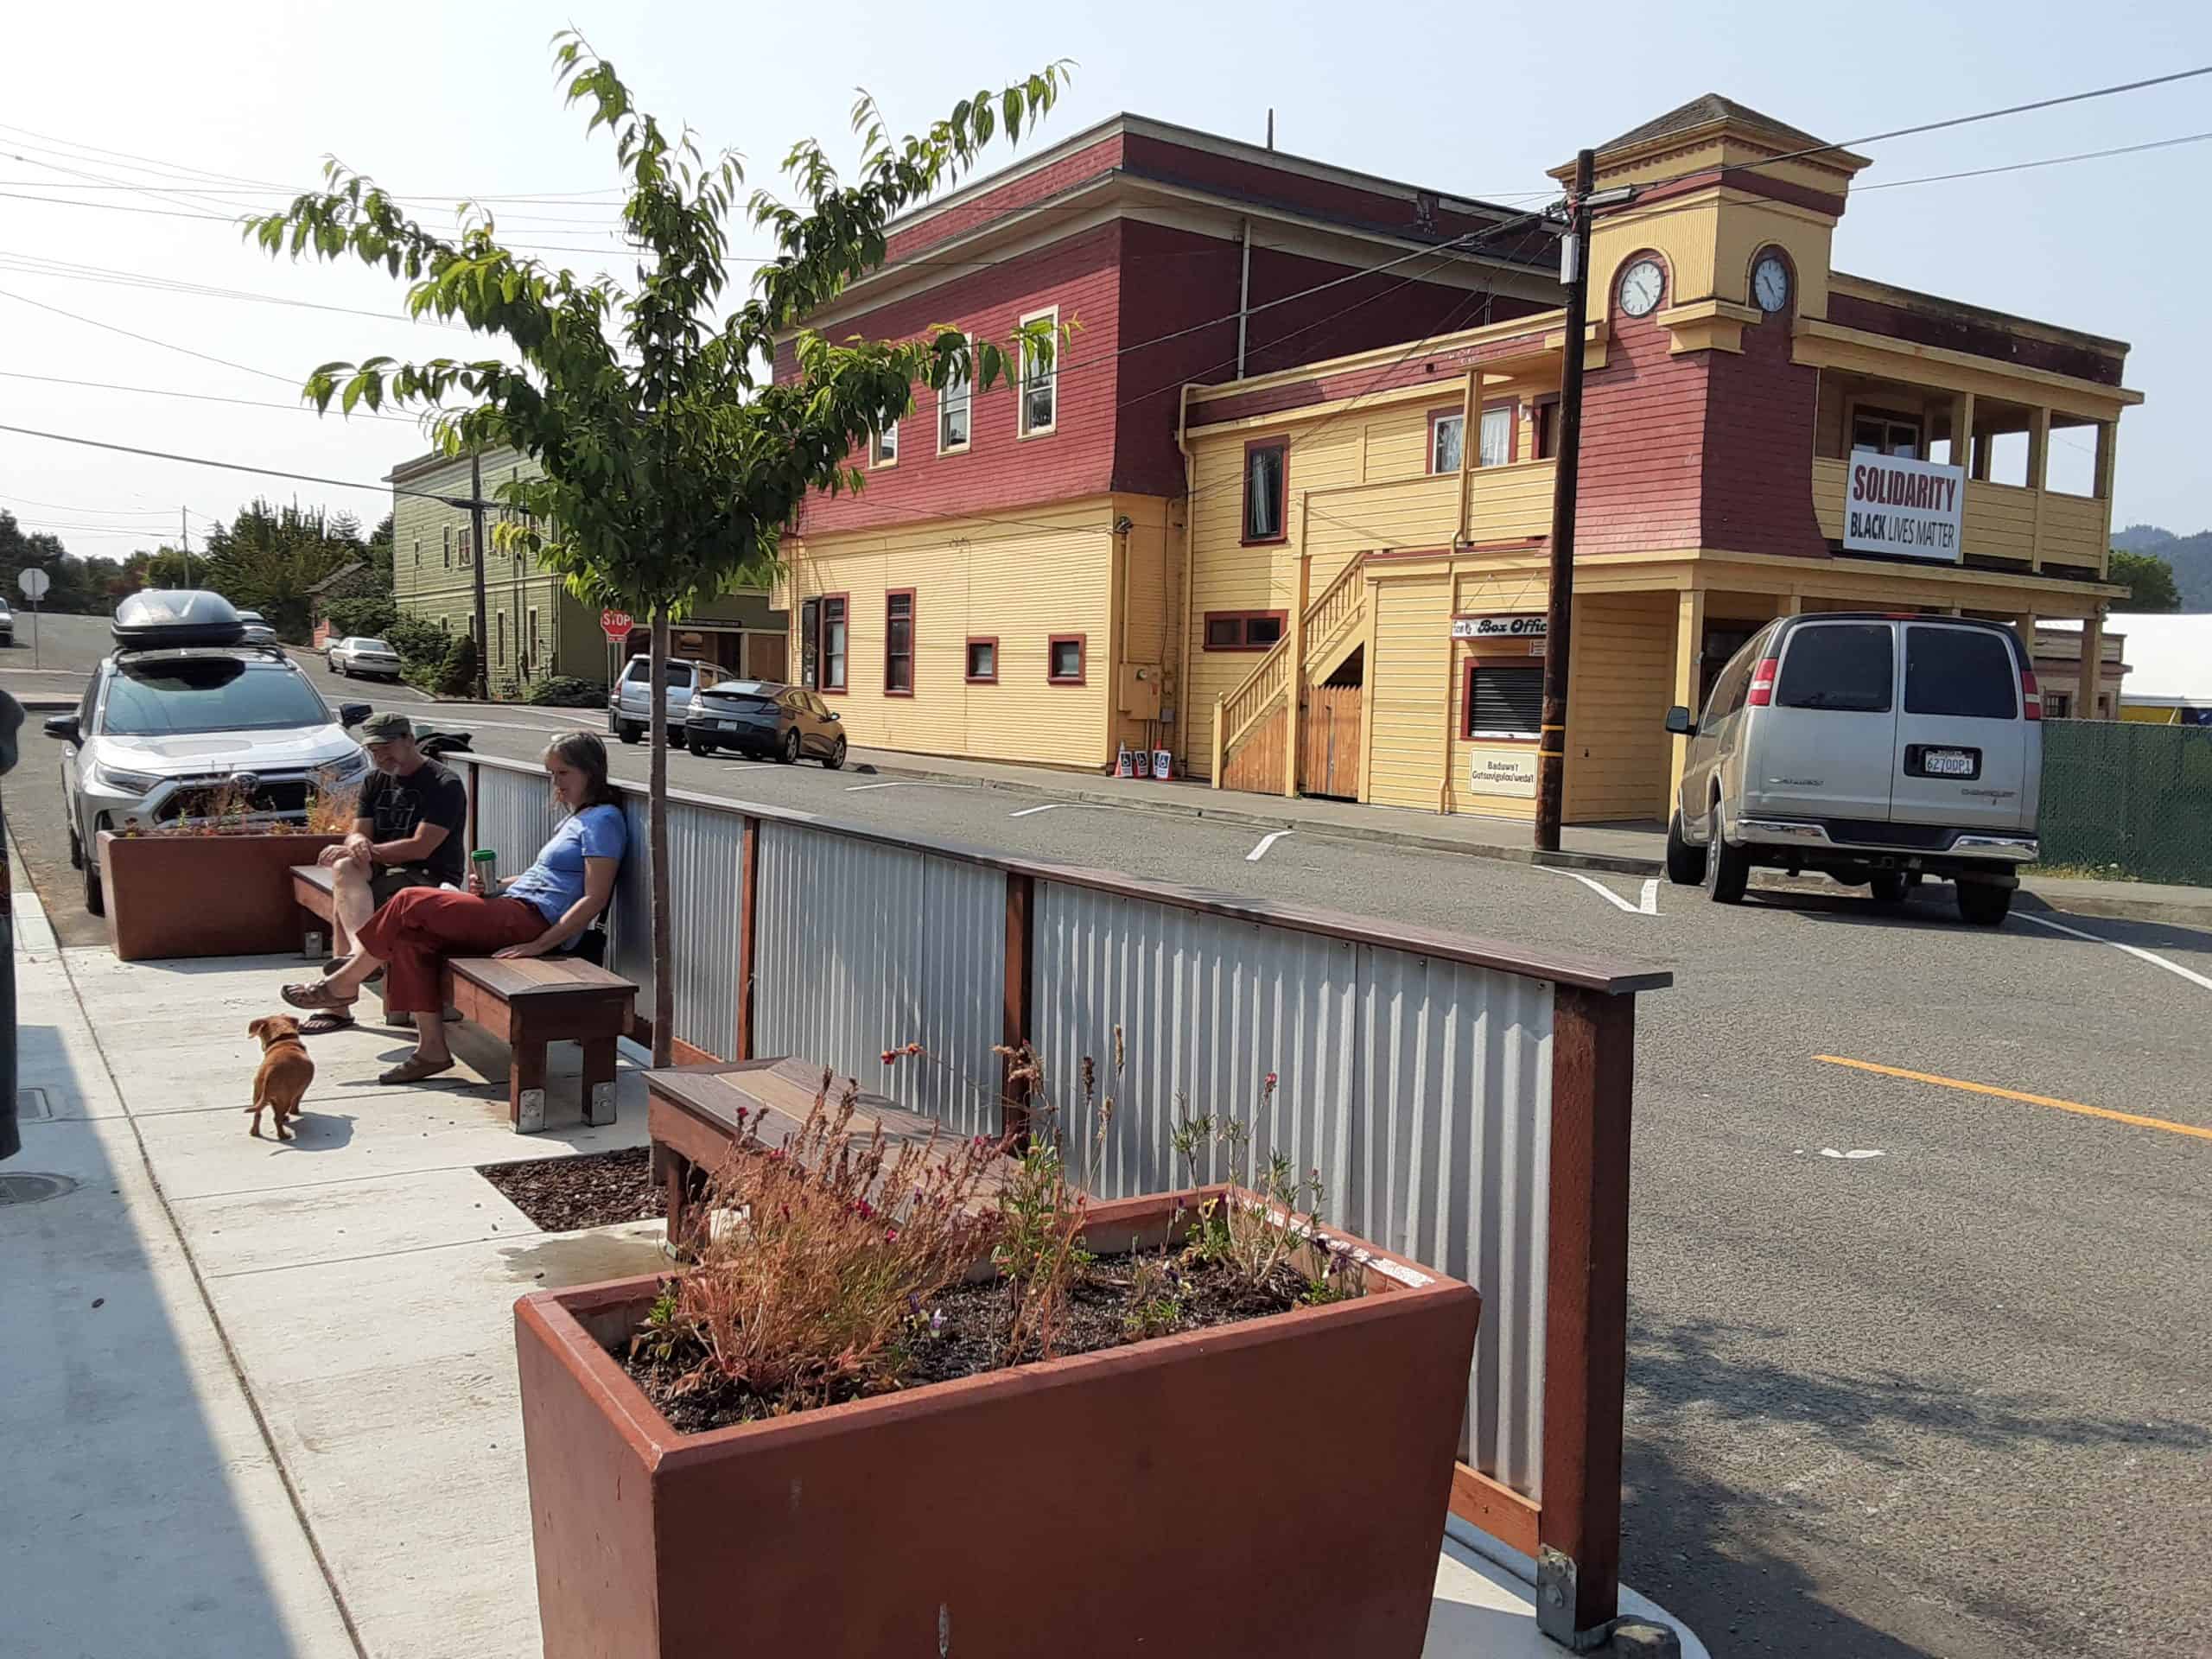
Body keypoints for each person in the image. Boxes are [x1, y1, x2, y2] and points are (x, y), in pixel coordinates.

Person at [282, 732, 626, 1084]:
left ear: (590, 771)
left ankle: (344, 982)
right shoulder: (578, 819)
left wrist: (539, 945)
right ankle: (431, 1049)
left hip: (531, 921)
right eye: (552, 773)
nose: (556, 783)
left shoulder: (604, 820)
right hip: (512, 907)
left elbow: (593, 896)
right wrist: (498, 885)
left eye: (563, 773)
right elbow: (549, 877)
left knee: (408, 899)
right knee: (411, 939)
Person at [303, 711, 469, 1031]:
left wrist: (368, 850)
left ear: (409, 740)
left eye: (386, 748)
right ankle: (359, 954)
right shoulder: (374, 780)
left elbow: (422, 847)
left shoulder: (443, 783)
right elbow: (357, 832)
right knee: (343, 868)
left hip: (429, 875)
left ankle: (340, 1004)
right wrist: (354, 844)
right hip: (382, 870)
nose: (380, 757)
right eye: (373, 751)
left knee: (345, 900)